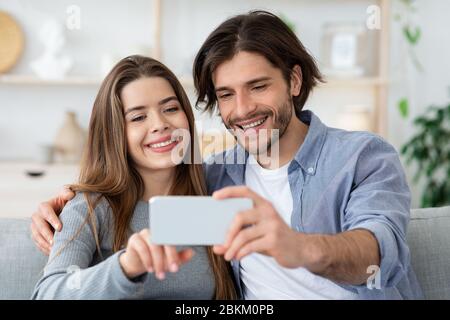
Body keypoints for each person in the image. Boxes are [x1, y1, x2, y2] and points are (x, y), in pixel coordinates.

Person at [31, 11, 423, 299]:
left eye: (258, 86)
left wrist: (299, 247)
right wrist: (74, 201)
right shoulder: (217, 179)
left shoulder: (362, 157)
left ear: (294, 80)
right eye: (225, 95)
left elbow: (380, 252)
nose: (243, 108)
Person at [31, 55, 237, 299]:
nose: (160, 124)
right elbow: (47, 294)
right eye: (138, 117)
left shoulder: (213, 187)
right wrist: (125, 268)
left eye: (170, 108)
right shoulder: (91, 206)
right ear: (114, 133)